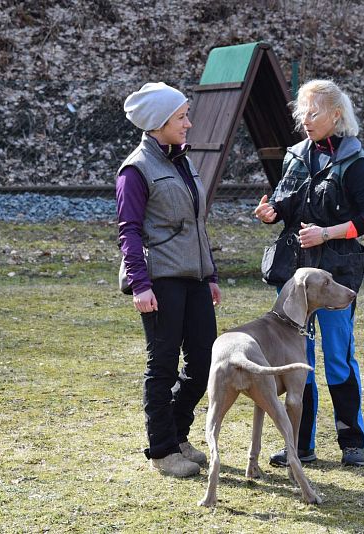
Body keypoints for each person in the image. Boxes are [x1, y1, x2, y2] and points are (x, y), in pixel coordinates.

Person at [254, 79, 364, 467]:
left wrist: (327, 233)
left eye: (313, 113)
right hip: (294, 279)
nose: (305, 121)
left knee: (339, 360)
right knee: (298, 361)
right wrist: (269, 213)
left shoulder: (355, 162)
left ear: (336, 116)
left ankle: (351, 443)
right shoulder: (294, 156)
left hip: (337, 276)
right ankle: (300, 446)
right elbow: (282, 204)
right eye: (302, 114)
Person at [116, 82, 221, 478]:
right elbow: (128, 231)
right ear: (159, 122)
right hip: (159, 279)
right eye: (181, 117)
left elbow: (197, 223)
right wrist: (140, 284)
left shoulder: (183, 161)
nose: (189, 123)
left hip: (194, 279)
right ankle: (161, 450)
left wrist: (209, 273)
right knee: (161, 367)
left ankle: (178, 435)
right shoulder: (135, 170)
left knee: (204, 362)